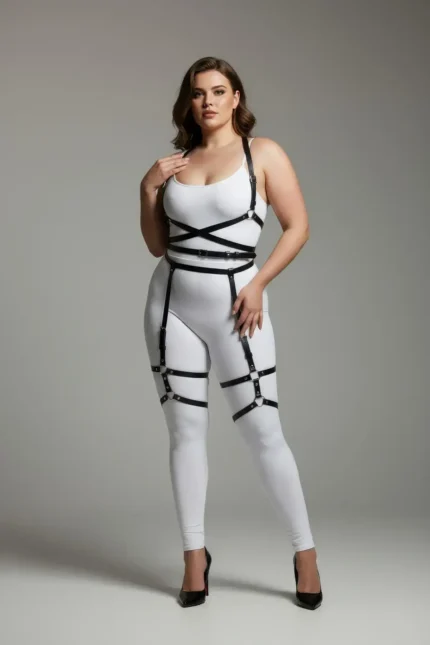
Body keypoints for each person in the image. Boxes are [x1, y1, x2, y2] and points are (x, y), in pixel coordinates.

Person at [140, 56, 323, 610]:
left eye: (219, 91)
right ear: (188, 102)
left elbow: (298, 226)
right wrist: (148, 188)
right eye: (199, 93)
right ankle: (194, 556)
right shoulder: (176, 162)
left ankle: (305, 553)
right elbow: (156, 245)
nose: (209, 102)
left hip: (237, 304)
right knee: (184, 433)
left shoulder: (261, 153)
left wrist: (259, 282)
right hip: (170, 302)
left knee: (263, 431)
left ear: (237, 97)